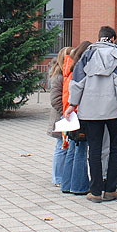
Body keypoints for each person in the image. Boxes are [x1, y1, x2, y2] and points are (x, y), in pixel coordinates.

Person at [66, 27, 117, 203]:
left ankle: (95, 191)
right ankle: (110, 189)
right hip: (114, 110)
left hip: (90, 110)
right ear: (113, 38)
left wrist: (72, 104)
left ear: (99, 37)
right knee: (115, 148)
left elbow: (77, 82)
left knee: (94, 149)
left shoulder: (87, 54)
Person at [59, 41, 92, 196]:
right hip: (78, 113)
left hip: (70, 113)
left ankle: (67, 184)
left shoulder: (68, 69)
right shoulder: (80, 71)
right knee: (80, 150)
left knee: (72, 150)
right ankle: (80, 186)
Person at [48, 47, 72, 186]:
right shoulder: (58, 77)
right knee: (61, 147)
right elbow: (55, 100)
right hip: (61, 117)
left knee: (65, 147)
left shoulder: (67, 75)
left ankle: (64, 176)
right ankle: (58, 178)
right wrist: (65, 113)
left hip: (66, 116)